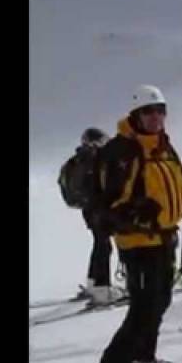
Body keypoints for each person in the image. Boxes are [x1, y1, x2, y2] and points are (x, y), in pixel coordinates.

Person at [90, 84, 182, 363]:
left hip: (164, 240)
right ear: (136, 115)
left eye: (161, 111)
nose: (156, 117)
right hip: (138, 245)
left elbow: (181, 189)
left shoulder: (163, 147)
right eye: (148, 112)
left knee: (159, 303)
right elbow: (108, 206)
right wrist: (135, 212)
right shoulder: (123, 151)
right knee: (141, 311)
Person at [59, 127, 122, 305]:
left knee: (100, 243)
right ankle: (102, 291)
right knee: (104, 246)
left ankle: (93, 285)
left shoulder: (79, 159)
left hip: (88, 209)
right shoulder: (95, 157)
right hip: (99, 208)